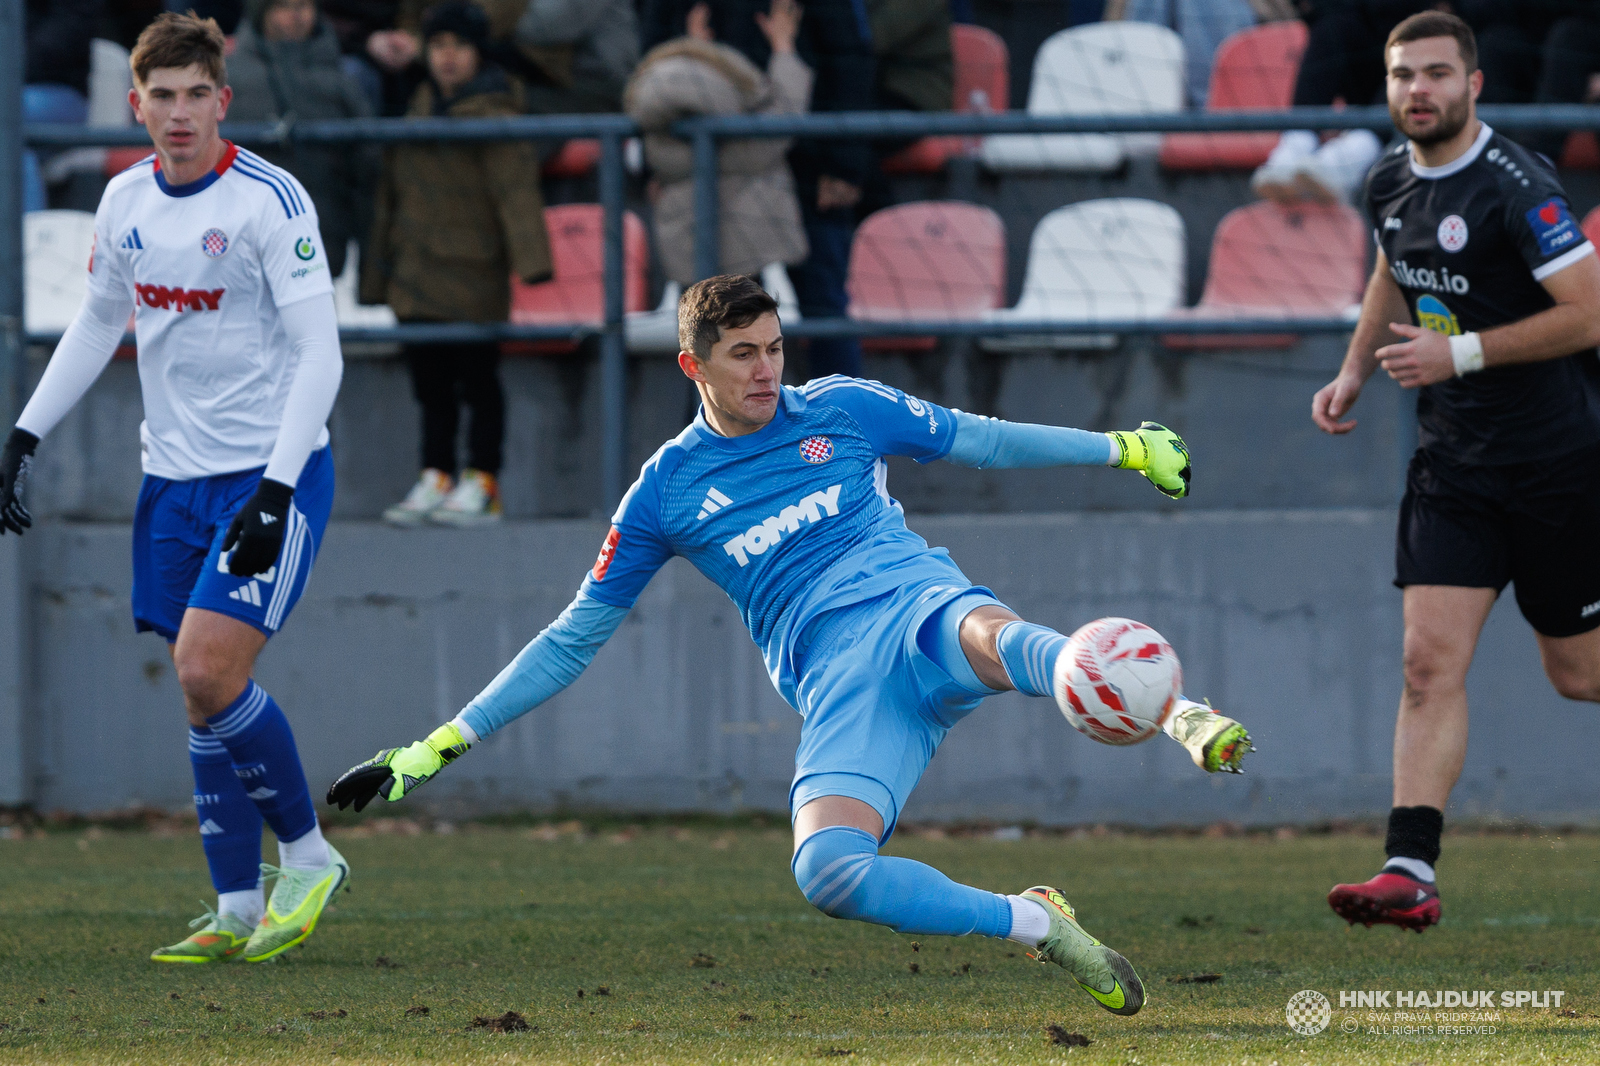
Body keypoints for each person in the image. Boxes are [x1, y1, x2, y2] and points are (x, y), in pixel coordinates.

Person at [328, 274, 1255, 1011]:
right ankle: (1039, 925)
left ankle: (1173, 710)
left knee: (988, 630)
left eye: (774, 348)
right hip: (839, 684)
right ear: (694, 367)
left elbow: (986, 442)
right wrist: (436, 748)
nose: (767, 371)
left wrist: (1123, 449)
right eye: (742, 355)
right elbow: (573, 640)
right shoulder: (667, 492)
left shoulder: (844, 408)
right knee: (830, 874)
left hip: (915, 606)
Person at [0, 13, 349, 963]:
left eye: (199, 94)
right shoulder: (122, 204)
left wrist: (277, 492)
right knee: (198, 695)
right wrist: (25, 432)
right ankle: (236, 907)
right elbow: (94, 325)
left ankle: (311, 857)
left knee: (208, 669)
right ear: (136, 104)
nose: (181, 112)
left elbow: (322, 354)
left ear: (223, 101)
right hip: (172, 478)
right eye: (164, 96)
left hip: (270, 474)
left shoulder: (269, 202)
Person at [1311, 12, 1600, 931]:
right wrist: (1355, 368)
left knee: (1579, 676)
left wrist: (1462, 354)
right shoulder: (1387, 180)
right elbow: (1393, 272)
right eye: (1403, 76)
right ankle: (1409, 869)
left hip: (1558, 466)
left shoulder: (1519, 184)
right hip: (1454, 469)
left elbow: (1588, 315)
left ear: (1474, 84)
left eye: (1436, 73)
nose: (1418, 90)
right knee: (1427, 664)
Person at [364, 1, 553, 526]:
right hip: (416, 275)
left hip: (473, 273)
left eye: (459, 46)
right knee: (430, 386)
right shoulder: (416, 107)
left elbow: (516, 192)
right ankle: (436, 473)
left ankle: (483, 480)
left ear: (477, 53)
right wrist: (379, 275)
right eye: (439, 45)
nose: (447, 58)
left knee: (477, 382)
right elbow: (390, 199)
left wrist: (533, 262)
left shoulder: (496, 114)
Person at [643, 0, 876, 379]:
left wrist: (843, 164)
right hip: (713, 179)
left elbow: (849, 65)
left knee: (824, 310)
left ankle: (841, 428)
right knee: (717, 324)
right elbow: (656, 73)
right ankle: (726, 434)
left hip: (809, 171)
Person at [625, 0, 810, 286]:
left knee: (698, 326)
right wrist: (784, 50)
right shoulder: (742, 141)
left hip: (689, 257)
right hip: (746, 248)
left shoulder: (656, 127)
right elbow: (781, 124)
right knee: (746, 324)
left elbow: (692, 88)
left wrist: (695, 53)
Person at [227, 0, 378, 278]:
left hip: (320, 244)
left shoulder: (342, 79)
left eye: (304, 5)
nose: (296, 16)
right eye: (284, 6)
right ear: (262, 13)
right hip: (238, 250)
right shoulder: (226, 80)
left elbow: (366, 167)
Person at [1252, 1, 1437, 205]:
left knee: (1425, 37)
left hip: (1426, 75)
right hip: (1369, 61)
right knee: (1334, 22)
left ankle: (1351, 155)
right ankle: (1297, 144)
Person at [24, 0, 102, 212]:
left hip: (57, 92)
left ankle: (23, 243)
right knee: (15, 148)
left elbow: (63, 39)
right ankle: (26, 241)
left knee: (9, 124)